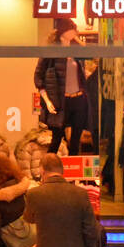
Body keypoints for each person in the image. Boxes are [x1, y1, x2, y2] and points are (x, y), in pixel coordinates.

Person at [34, 18, 90, 156]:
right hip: (60, 101)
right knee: (57, 138)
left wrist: (78, 42)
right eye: (72, 30)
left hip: (78, 99)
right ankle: (48, 167)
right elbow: (38, 77)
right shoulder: (51, 51)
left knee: (76, 141)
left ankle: (73, 169)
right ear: (63, 31)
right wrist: (47, 101)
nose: (75, 32)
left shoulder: (76, 50)